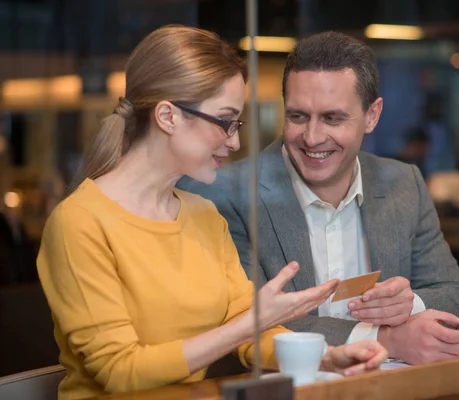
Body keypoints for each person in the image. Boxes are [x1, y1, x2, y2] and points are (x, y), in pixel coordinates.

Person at [36, 26, 387, 400]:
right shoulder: (79, 222)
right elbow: (121, 373)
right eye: (224, 121)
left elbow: (250, 330)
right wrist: (252, 323)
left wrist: (329, 357)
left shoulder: (204, 214)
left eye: (236, 124)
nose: (234, 141)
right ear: (168, 116)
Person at [180, 31, 459, 365]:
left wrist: (411, 305)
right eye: (297, 116)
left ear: (372, 115)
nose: (312, 137)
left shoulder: (402, 183)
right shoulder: (223, 194)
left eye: (332, 118)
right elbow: (249, 322)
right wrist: (387, 339)